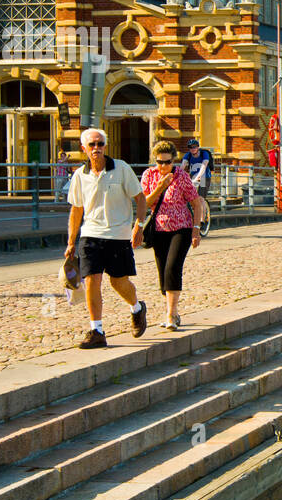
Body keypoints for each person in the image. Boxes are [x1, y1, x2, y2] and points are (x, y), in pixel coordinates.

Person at [65, 128, 148, 349]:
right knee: (92, 280)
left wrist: (138, 226)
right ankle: (97, 330)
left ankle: (137, 307)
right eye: (91, 145)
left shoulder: (121, 168)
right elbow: (76, 210)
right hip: (91, 235)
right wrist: (71, 241)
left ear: (105, 146)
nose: (96, 148)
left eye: (100, 144)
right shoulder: (79, 176)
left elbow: (140, 198)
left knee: (118, 282)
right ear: (84, 148)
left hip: (118, 235)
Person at [141, 141, 202, 330]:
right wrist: (160, 187)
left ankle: (171, 314)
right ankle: (172, 310)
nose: (163, 166)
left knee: (172, 268)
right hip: (158, 229)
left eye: (167, 162)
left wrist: (196, 228)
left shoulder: (182, 177)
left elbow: (197, 203)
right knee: (162, 273)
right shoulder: (149, 176)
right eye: (159, 162)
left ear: (173, 161)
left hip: (181, 228)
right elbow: (144, 203)